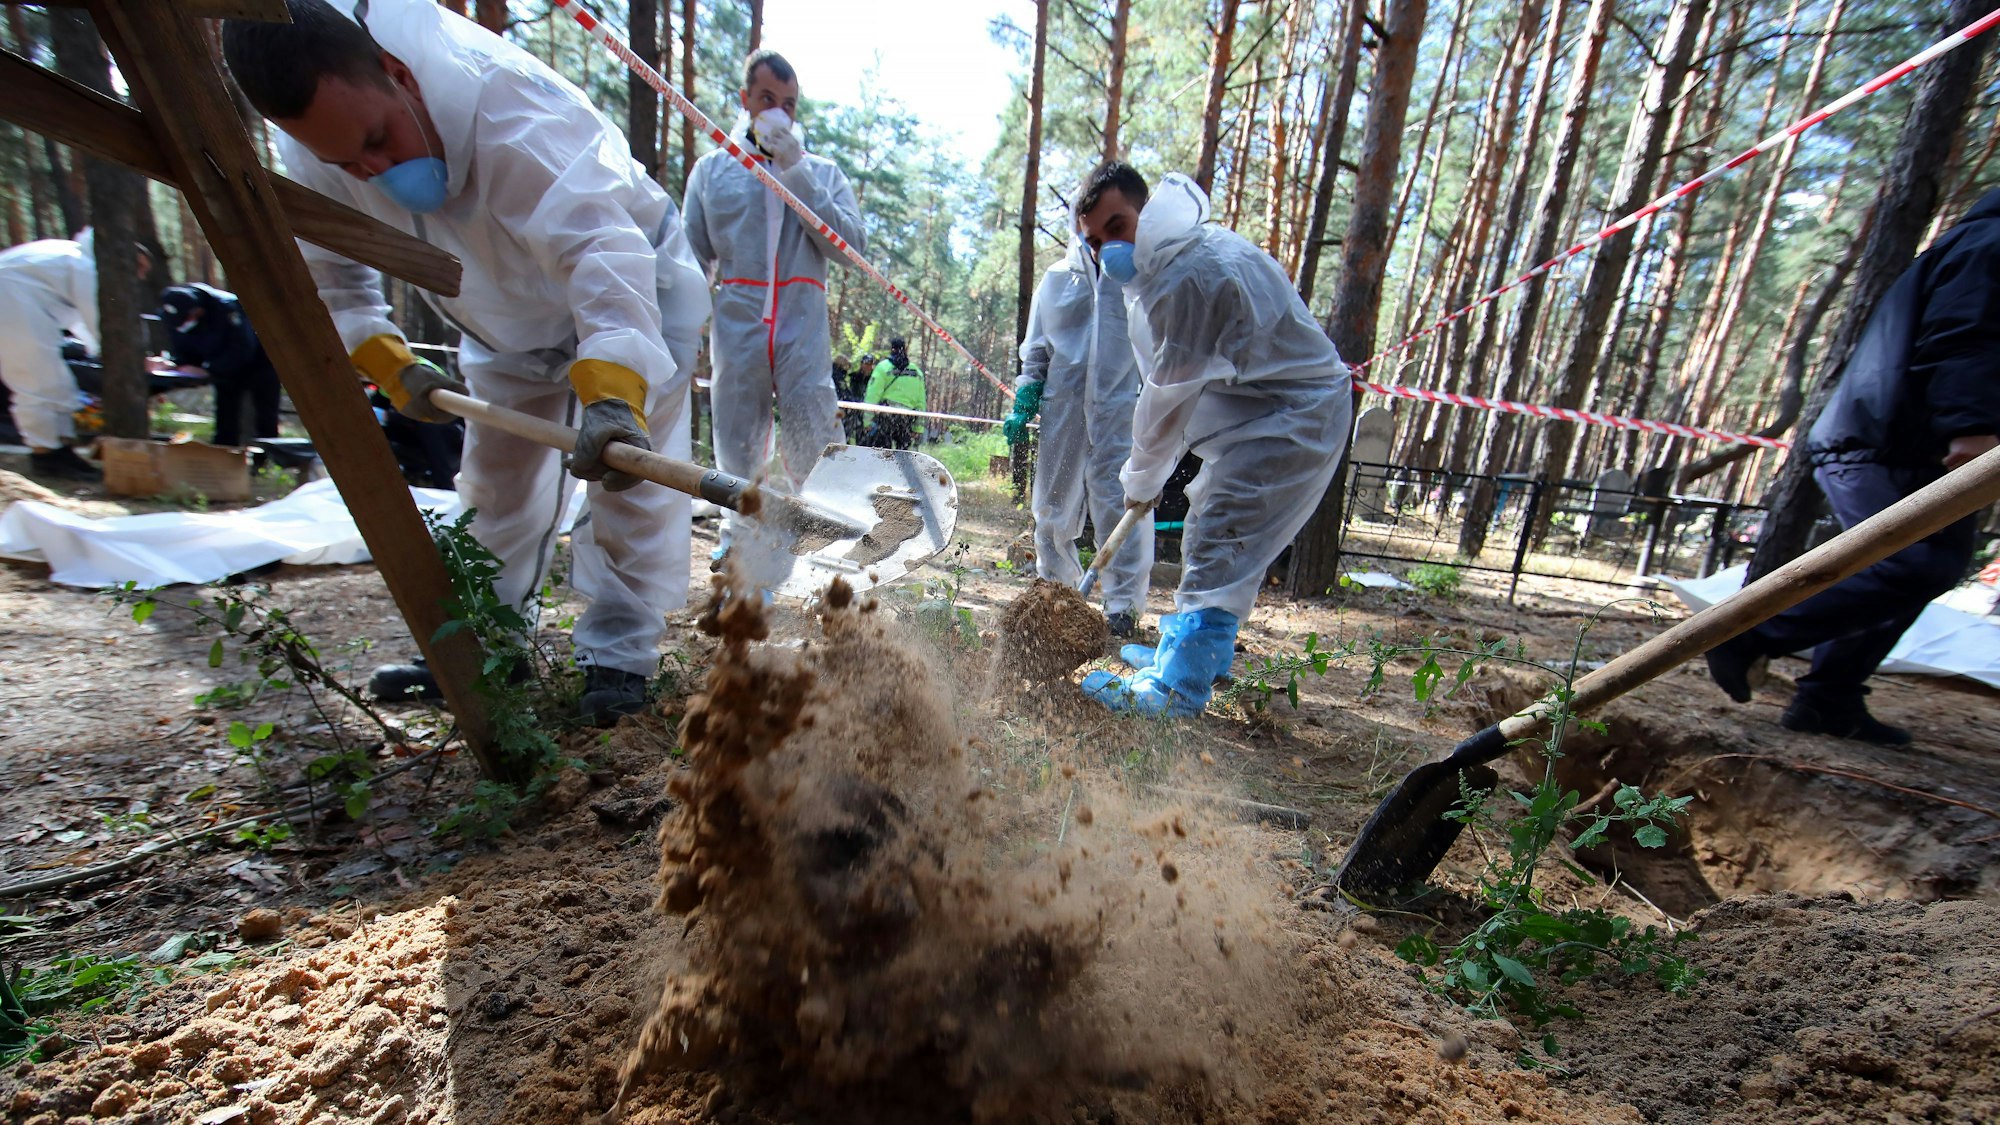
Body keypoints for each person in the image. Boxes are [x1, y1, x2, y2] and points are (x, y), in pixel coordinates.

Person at [222, 0, 711, 724]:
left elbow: (600, 252)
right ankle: (487, 641)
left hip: (633, 290)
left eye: (379, 140)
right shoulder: (316, 152)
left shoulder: (513, 111)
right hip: (502, 317)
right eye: (348, 163)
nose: (372, 170)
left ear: (399, 74)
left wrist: (613, 390)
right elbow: (336, 278)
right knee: (495, 482)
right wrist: (390, 361)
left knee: (629, 483)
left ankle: (618, 658)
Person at [1704, 186, 2000, 745]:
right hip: (1881, 439)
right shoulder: (1990, 242)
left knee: (1933, 564)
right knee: (1917, 564)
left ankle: (1828, 698)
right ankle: (1750, 634)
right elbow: (1967, 337)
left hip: (1912, 441)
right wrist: (1973, 426)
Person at [1072, 164, 1353, 718]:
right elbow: (1179, 388)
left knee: (1221, 534)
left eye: (1117, 225)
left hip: (1290, 421)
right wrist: (1149, 473)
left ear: (1145, 211)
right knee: (1212, 525)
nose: (1110, 250)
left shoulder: (1189, 277)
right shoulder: (1175, 263)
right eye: (1096, 241)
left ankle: (1176, 689)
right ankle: (1187, 653)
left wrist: (1142, 479)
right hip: (1268, 416)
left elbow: (1167, 396)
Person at [683, 49, 866, 550]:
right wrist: (684, 330)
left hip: (801, 322)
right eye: (767, 99)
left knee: (816, 428)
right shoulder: (712, 171)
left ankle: (835, 541)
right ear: (744, 100)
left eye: (788, 104)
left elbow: (851, 247)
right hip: (737, 320)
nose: (779, 113)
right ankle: (739, 541)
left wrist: (796, 170)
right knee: (737, 436)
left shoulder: (822, 174)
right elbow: (690, 258)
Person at [1005, 204, 1151, 638]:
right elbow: (1037, 349)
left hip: (1120, 411)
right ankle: (1057, 600)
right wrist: (1027, 393)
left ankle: (1123, 610)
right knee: (1051, 506)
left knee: (1122, 506)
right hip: (1063, 410)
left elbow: (1156, 351)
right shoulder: (1055, 281)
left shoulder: (1136, 279)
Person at [0, 233, 150, 481]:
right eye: (140, 268)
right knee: (36, 381)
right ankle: (46, 455)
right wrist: (135, 358)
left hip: (19, 301)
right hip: (10, 301)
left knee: (55, 382)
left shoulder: (72, 258)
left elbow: (85, 322)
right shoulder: (83, 265)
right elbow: (103, 318)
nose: (140, 277)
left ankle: (59, 450)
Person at [156, 283, 284, 447]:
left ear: (197, 310)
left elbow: (243, 348)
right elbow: (185, 347)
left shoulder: (226, 308)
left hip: (259, 365)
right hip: (223, 373)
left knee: (266, 418)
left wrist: (208, 369)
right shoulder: (175, 315)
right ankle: (224, 458)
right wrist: (177, 364)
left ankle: (267, 460)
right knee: (226, 419)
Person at [862, 337, 926, 450]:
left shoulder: (882, 367)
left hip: (886, 416)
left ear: (891, 349)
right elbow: (921, 402)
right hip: (907, 417)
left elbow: (872, 395)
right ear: (905, 350)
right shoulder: (916, 372)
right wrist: (918, 428)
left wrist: (867, 421)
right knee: (903, 456)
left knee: (882, 453)